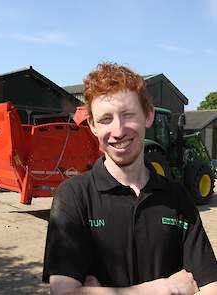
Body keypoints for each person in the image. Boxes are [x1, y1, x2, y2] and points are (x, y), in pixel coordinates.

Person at [42, 62, 217, 294]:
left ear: (148, 115)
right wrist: (163, 289)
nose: (118, 130)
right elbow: (64, 292)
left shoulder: (177, 197)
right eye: (106, 119)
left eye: (128, 115)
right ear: (93, 126)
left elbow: (210, 286)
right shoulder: (75, 195)